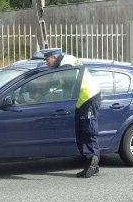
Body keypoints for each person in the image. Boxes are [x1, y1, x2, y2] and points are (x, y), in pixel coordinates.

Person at [41, 48, 101, 178]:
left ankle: (92, 161)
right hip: (83, 100)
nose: (46, 62)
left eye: (47, 59)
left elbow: (68, 87)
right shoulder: (66, 61)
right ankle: (92, 164)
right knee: (82, 132)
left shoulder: (66, 65)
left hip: (87, 98)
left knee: (87, 132)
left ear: (54, 57)